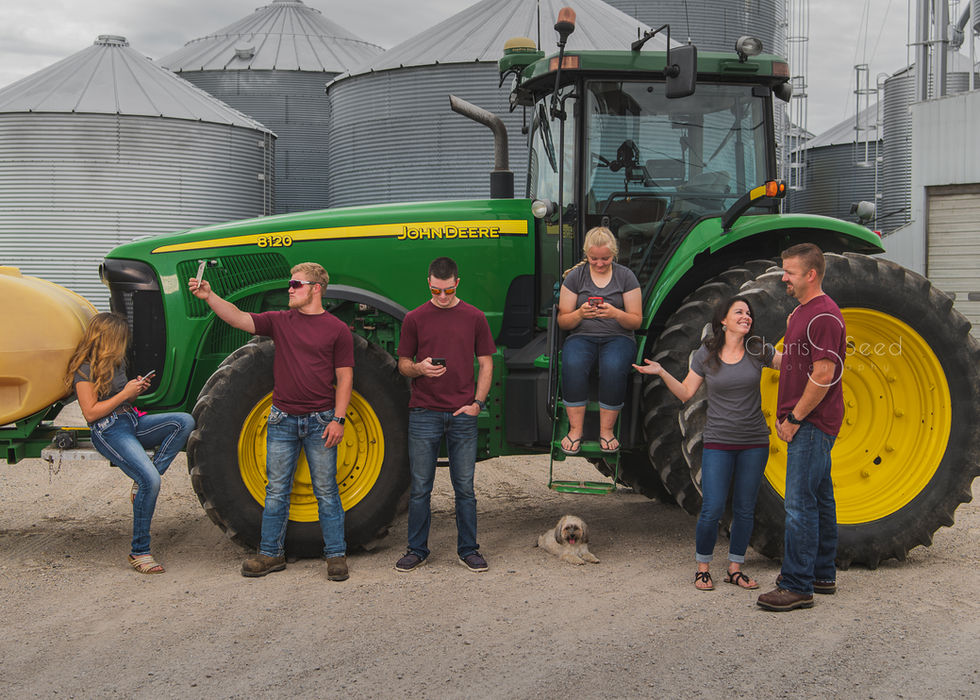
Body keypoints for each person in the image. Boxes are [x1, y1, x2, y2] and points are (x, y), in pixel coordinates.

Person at [190, 262, 354, 581]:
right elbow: (238, 317)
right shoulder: (281, 321)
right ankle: (270, 554)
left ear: (316, 289)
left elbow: (345, 376)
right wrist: (210, 296)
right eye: (290, 284)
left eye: (296, 284)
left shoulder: (337, 329)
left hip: (321, 422)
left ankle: (336, 556)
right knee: (276, 490)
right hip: (282, 420)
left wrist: (338, 419)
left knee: (326, 491)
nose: (289, 289)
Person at [634, 296, 780, 591]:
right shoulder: (706, 354)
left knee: (745, 508)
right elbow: (686, 392)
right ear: (723, 320)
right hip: (719, 443)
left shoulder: (757, 349)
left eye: (749, 313)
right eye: (739, 312)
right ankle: (702, 569)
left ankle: (735, 569)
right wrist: (661, 372)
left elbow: (791, 366)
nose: (746, 316)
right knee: (712, 507)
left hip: (754, 442)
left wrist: (808, 341)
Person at [65, 312, 194, 574]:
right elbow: (90, 413)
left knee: (184, 421)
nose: (125, 344)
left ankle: (144, 478)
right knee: (151, 482)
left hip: (131, 420)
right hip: (109, 429)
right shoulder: (84, 369)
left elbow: (124, 401)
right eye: (121, 339)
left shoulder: (117, 363)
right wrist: (125, 393)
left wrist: (135, 391)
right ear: (109, 339)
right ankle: (140, 551)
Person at [757, 243, 846, 612]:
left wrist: (794, 418)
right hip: (808, 422)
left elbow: (824, 374)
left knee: (799, 505)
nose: (784, 278)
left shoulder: (824, 316)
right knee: (820, 499)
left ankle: (796, 585)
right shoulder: (800, 314)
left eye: (790, 272)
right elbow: (795, 363)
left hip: (811, 423)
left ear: (811, 274)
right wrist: (763, 354)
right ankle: (822, 574)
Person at [394, 257, 495, 573]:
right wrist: (419, 368)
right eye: (436, 290)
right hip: (424, 412)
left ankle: (468, 550)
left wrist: (477, 403)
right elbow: (402, 363)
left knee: (464, 488)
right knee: (420, 487)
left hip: (462, 412)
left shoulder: (475, 317)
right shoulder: (414, 318)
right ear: (429, 283)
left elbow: (487, 363)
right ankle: (416, 550)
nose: (441, 296)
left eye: (448, 290)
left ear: (457, 283)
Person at [557, 226, 642, 454]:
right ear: (587, 254)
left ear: (614, 254)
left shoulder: (626, 276)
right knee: (573, 364)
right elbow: (563, 321)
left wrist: (615, 314)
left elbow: (636, 321)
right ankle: (575, 430)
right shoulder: (576, 277)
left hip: (619, 337)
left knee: (613, 367)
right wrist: (580, 314)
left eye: (605, 259)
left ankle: (607, 431)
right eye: (594, 259)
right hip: (582, 336)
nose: (600, 264)